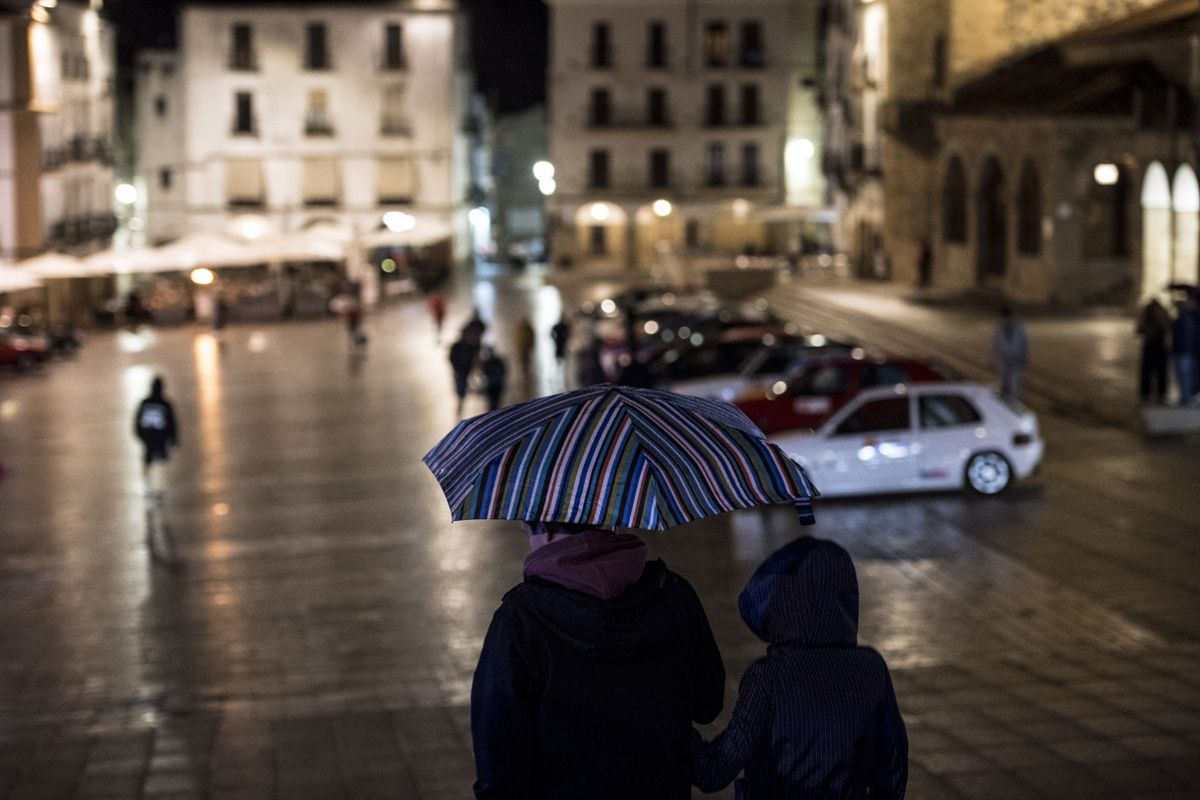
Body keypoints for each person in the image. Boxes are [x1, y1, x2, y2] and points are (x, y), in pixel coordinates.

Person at [471, 521, 725, 799]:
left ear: (546, 527)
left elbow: (497, 752)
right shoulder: (675, 594)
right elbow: (707, 703)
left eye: (527, 524)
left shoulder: (519, 619)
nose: (524, 532)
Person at [692, 537, 907, 799]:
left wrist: (669, 719)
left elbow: (715, 771)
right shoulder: (872, 668)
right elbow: (892, 766)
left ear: (782, 601)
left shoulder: (769, 677)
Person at [134, 377, 179, 496]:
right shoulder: (165, 404)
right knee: (161, 461)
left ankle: (147, 484)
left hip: (148, 439)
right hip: (160, 439)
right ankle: (159, 486)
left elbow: (138, 421)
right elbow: (172, 423)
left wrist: (140, 435)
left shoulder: (145, 403)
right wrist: (173, 439)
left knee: (147, 460)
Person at [1137, 297, 1171, 406]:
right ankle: (1160, 394)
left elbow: (1139, 330)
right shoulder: (1162, 312)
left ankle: (1146, 394)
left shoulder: (1146, 312)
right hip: (1158, 345)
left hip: (1150, 344)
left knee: (1147, 371)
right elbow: (1168, 327)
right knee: (1160, 371)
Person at [991, 305, 1029, 401]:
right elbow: (995, 342)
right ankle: (1004, 400)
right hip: (1003, 358)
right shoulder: (999, 327)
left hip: (1016, 359)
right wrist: (993, 357)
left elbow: (1024, 342)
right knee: (1003, 381)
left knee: (1013, 382)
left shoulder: (1019, 326)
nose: (1006, 319)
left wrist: (1024, 357)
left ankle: (1013, 402)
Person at [1171, 297, 1200, 406]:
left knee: (1187, 376)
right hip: (1186, 353)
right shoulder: (1183, 320)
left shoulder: (1188, 320)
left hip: (1187, 353)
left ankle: (1187, 397)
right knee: (1186, 376)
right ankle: (1186, 397)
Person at [449, 332, 480, 416]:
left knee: (462, 386)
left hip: (465, 370)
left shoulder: (470, 347)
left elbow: (473, 358)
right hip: (460, 371)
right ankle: (460, 402)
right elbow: (452, 357)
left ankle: (461, 401)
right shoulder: (458, 346)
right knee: (461, 386)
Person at [480, 347, 508, 411]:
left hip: (495, 384)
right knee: (494, 402)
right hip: (493, 384)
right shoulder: (488, 363)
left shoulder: (491, 362)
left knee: (494, 402)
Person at [513, 317, 536, 382]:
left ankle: (526, 369)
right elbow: (518, 338)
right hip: (523, 347)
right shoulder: (524, 329)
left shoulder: (526, 329)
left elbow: (531, 338)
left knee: (526, 359)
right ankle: (524, 369)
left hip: (526, 347)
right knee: (523, 359)